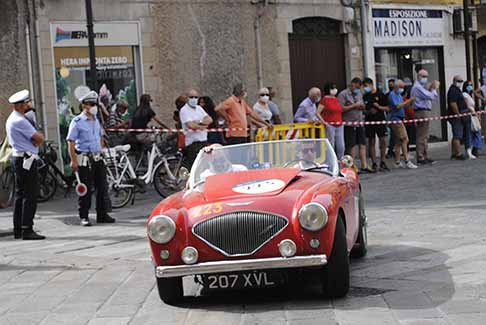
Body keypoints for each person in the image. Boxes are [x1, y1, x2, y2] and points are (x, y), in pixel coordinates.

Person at [67, 90, 115, 226]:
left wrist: (102, 149)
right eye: (90, 104)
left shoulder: (96, 121)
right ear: (84, 105)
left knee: (102, 187)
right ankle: (84, 216)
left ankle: (102, 214)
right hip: (85, 160)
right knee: (86, 189)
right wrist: (73, 160)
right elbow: (70, 142)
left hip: (98, 158)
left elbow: (100, 137)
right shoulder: (77, 122)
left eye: (95, 104)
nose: (93, 106)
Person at [6, 89, 45, 240]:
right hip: (26, 160)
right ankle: (27, 229)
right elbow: (38, 138)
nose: (29, 105)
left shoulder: (12, 118)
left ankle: (19, 229)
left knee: (21, 194)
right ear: (22, 105)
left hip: (20, 158)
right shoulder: (21, 121)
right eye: (28, 103)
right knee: (31, 194)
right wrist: (37, 137)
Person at [338, 78, 371, 173]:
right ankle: (352, 165)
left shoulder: (359, 93)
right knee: (351, 145)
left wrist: (362, 107)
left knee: (362, 144)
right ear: (352, 84)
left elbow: (362, 104)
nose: (357, 89)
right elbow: (341, 108)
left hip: (359, 122)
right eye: (356, 87)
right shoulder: (343, 94)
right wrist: (354, 106)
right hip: (349, 123)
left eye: (358, 87)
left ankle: (364, 165)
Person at [410, 69, 440, 165]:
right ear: (418, 76)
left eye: (426, 76)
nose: (425, 78)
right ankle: (420, 156)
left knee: (425, 135)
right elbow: (430, 96)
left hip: (425, 111)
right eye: (423, 76)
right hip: (421, 111)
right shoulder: (417, 87)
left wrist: (431, 88)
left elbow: (428, 94)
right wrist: (434, 88)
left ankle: (424, 155)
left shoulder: (421, 87)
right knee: (421, 135)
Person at [388, 80, 418, 169]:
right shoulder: (392, 95)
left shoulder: (399, 95)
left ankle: (397, 162)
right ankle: (407, 160)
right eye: (401, 87)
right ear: (396, 87)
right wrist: (408, 100)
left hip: (400, 118)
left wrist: (411, 102)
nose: (402, 89)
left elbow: (404, 106)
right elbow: (397, 106)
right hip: (396, 119)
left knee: (398, 141)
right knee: (405, 139)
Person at [179, 89, 213, 167]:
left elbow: (210, 119)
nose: (194, 99)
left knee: (205, 165)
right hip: (193, 143)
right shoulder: (184, 110)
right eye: (191, 97)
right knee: (194, 166)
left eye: (196, 97)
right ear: (187, 98)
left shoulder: (199, 108)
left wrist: (198, 121)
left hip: (203, 141)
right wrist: (202, 125)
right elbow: (191, 125)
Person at [362, 78, 389, 171]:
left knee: (383, 141)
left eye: (366, 86)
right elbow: (363, 109)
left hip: (380, 120)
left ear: (371, 85)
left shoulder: (380, 94)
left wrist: (379, 107)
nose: (365, 88)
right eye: (364, 86)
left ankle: (383, 161)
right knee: (371, 141)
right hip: (369, 121)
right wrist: (368, 111)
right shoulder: (365, 96)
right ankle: (374, 163)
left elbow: (387, 108)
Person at [317, 83, 345, 159]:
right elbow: (318, 112)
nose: (335, 90)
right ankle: (331, 163)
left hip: (339, 125)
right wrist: (324, 122)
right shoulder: (324, 100)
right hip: (330, 125)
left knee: (341, 146)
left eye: (335, 88)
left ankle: (340, 164)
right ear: (328, 90)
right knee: (331, 146)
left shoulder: (336, 99)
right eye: (332, 88)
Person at [447, 76, 471, 160]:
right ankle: (458, 154)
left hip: (458, 115)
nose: (460, 82)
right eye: (458, 81)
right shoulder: (453, 90)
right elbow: (453, 103)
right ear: (454, 81)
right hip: (456, 116)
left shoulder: (456, 89)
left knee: (456, 135)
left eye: (461, 81)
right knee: (458, 135)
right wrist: (458, 114)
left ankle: (454, 153)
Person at [462, 81, 482, 158]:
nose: (470, 86)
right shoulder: (464, 94)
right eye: (469, 85)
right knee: (474, 132)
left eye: (471, 85)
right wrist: (475, 114)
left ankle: (475, 148)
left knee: (476, 131)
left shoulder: (469, 95)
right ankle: (472, 149)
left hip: (473, 115)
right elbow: (468, 106)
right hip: (470, 115)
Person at [386, 79, 396, 159]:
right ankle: (390, 151)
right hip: (392, 117)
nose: (391, 86)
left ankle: (392, 150)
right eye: (390, 85)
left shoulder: (397, 94)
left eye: (392, 84)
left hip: (396, 117)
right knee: (393, 135)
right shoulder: (389, 95)